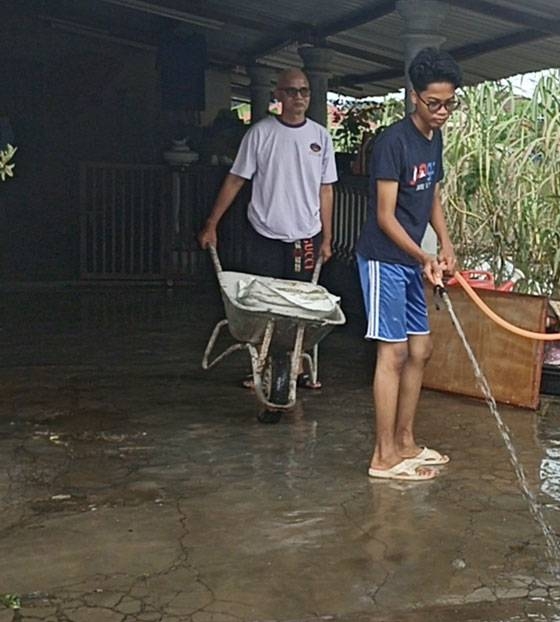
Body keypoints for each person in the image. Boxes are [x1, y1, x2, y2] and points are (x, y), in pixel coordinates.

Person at [355, 48, 462, 481]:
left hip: (414, 260)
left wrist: (446, 244)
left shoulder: (434, 138)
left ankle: (405, 441)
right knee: (394, 352)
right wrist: (424, 256)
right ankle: (383, 456)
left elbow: (430, 193)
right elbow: (385, 215)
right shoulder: (392, 142)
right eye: (433, 103)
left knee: (421, 349)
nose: (441, 112)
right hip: (384, 259)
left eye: (449, 104)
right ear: (414, 97)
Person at [198, 67, 336, 282]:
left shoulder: (321, 136)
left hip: (306, 235)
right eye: (291, 91)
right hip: (263, 233)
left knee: (299, 301)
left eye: (304, 91)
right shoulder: (260, 133)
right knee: (264, 299)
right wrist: (212, 223)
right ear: (278, 94)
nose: (298, 97)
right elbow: (236, 179)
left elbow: (326, 189)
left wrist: (327, 238)